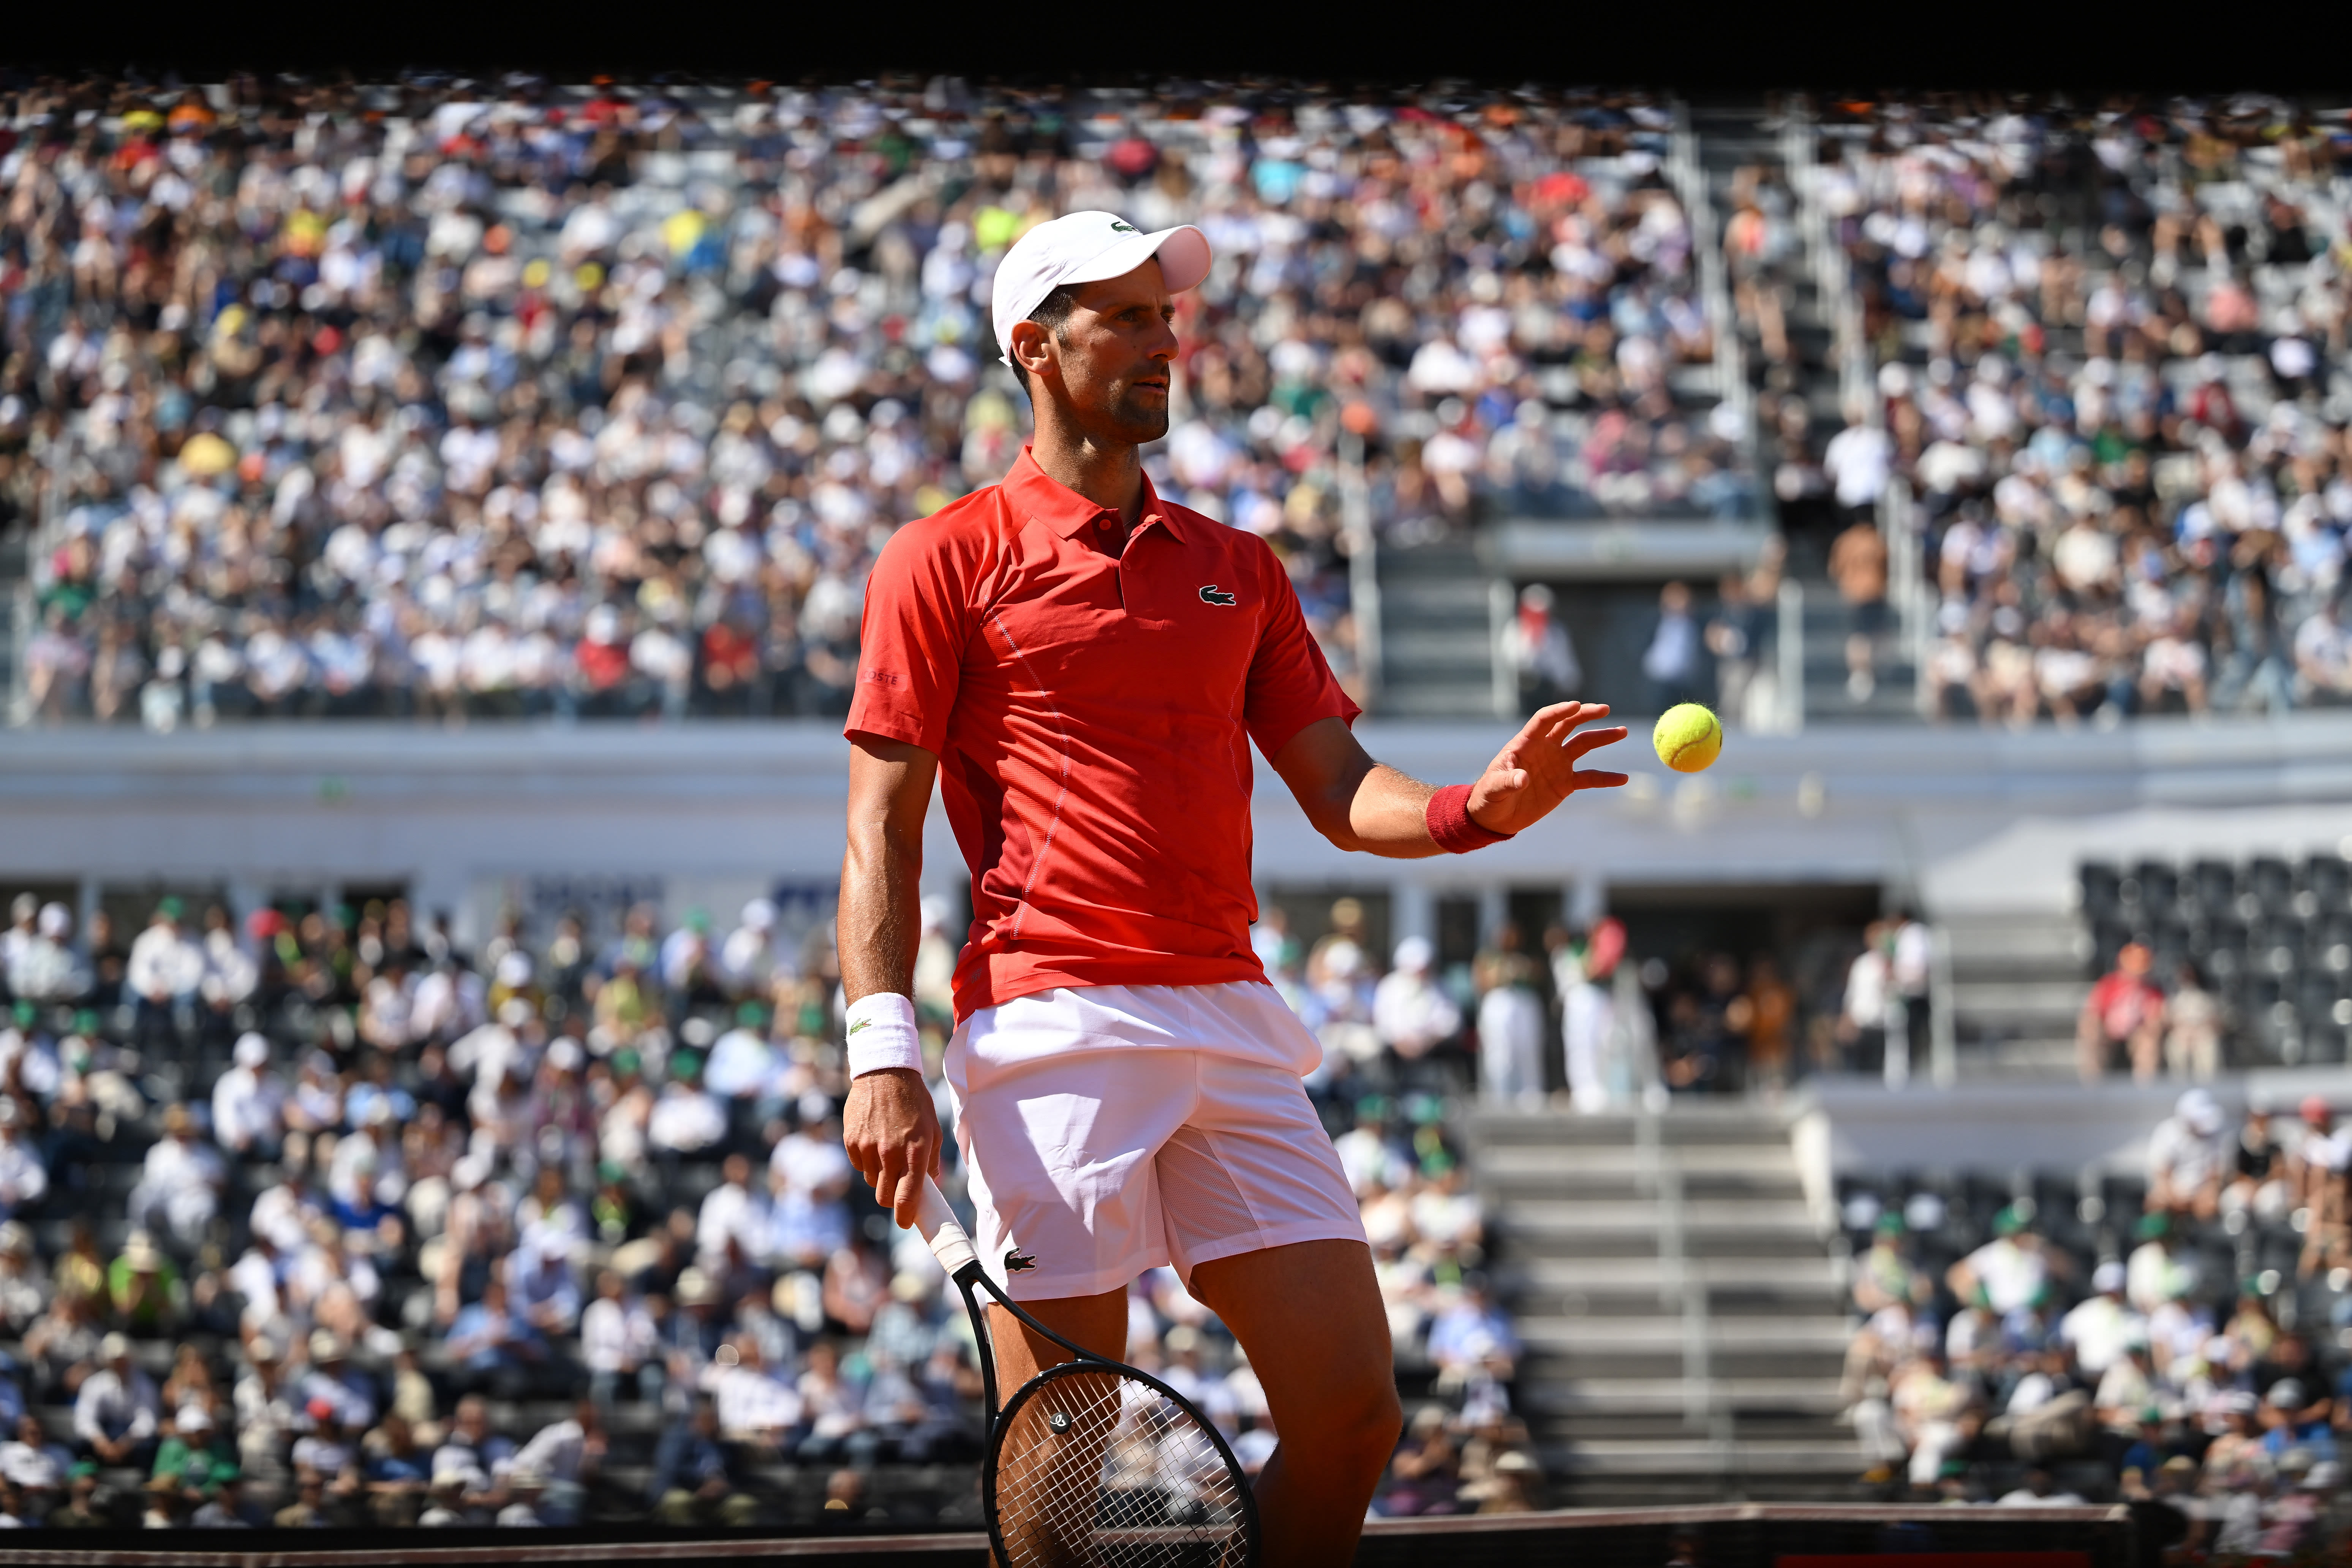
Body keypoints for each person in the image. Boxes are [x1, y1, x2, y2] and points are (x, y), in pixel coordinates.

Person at [837, 209, 1630, 1568]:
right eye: (1129, 318)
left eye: (1167, 314)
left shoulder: (1239, 568)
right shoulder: (941, 558)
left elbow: (1341, 787)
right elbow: (880, 830)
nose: (1166, 341)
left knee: (1351, 1416)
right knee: (1060, 1458)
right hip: (1050, 1026)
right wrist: (878, 1055)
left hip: (1230, 1019)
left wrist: (1473, 810)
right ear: (1035, 346)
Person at [2078, 942, 2165, 1083]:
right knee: (2091, 1041)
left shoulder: (2152, 990)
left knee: (2149, 1044)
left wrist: (2152, 1027)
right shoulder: (2108, 985)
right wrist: (2093, 1029)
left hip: (2136, 1035)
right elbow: (2092, 1013)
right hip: (2109, 1033)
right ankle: (2091, 1085)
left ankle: (2145, 1085)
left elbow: (2156, 1018)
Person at [1829, 511, 1890, 703]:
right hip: (1873, 593)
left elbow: (1834, 570)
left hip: (1853, 594)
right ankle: (1864, 673)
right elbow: (1886, 567)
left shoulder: (1845, 541)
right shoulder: (1877, 540)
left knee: (1858, 635)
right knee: (1870, 635)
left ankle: (1861, 674)